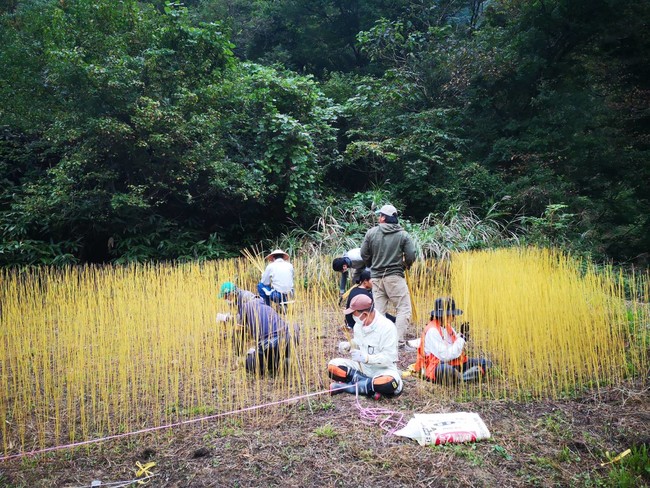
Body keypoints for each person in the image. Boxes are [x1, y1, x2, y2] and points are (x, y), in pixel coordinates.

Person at [360, 204, 416, 346]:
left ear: (384, 218)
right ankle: (396, 341)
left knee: (378, 312)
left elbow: (363, 254)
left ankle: (380, 340)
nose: (379, 218)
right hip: (395, 277)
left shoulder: (371, 233)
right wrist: (405, 265)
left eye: (380, 215)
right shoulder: (403, 235)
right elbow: (411, 255)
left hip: (376, 278)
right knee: (403, 308)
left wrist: (371, 264)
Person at [328, 294, 403, 399]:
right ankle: (368, 386)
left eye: (354, 314)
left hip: (382, 370)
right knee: (333, 366)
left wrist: (367, 358)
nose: (353, 317)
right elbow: (359, 343)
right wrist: (350, 345)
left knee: (389, 383)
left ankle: (348, 387)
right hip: (362, 368)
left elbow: (389, 358)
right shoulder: (358, 325)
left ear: (364, 314)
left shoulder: (387, 328)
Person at [218, 282, 299, 375]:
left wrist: (240, 356)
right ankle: (285, 357)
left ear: (231, 293)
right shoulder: (265, 307)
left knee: (249, 364)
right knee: (291, 328)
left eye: (225, 297)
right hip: (288, 338)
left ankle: (276, 364)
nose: (226, 300)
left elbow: (238, 331)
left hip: (270, 344)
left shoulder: (245, 305)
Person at [414, 297, 491, 384]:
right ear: (444, 315)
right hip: (437, 366)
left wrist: (462, 335)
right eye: (452, 314)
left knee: (485, 363)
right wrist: (462, 339)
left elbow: (453, 344)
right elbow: (445, 355)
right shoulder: (432, 331)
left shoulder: (447, 326)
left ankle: (460, 377)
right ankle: (464, 377)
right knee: (446, 370)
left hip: (453, 362)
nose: (454, 316)